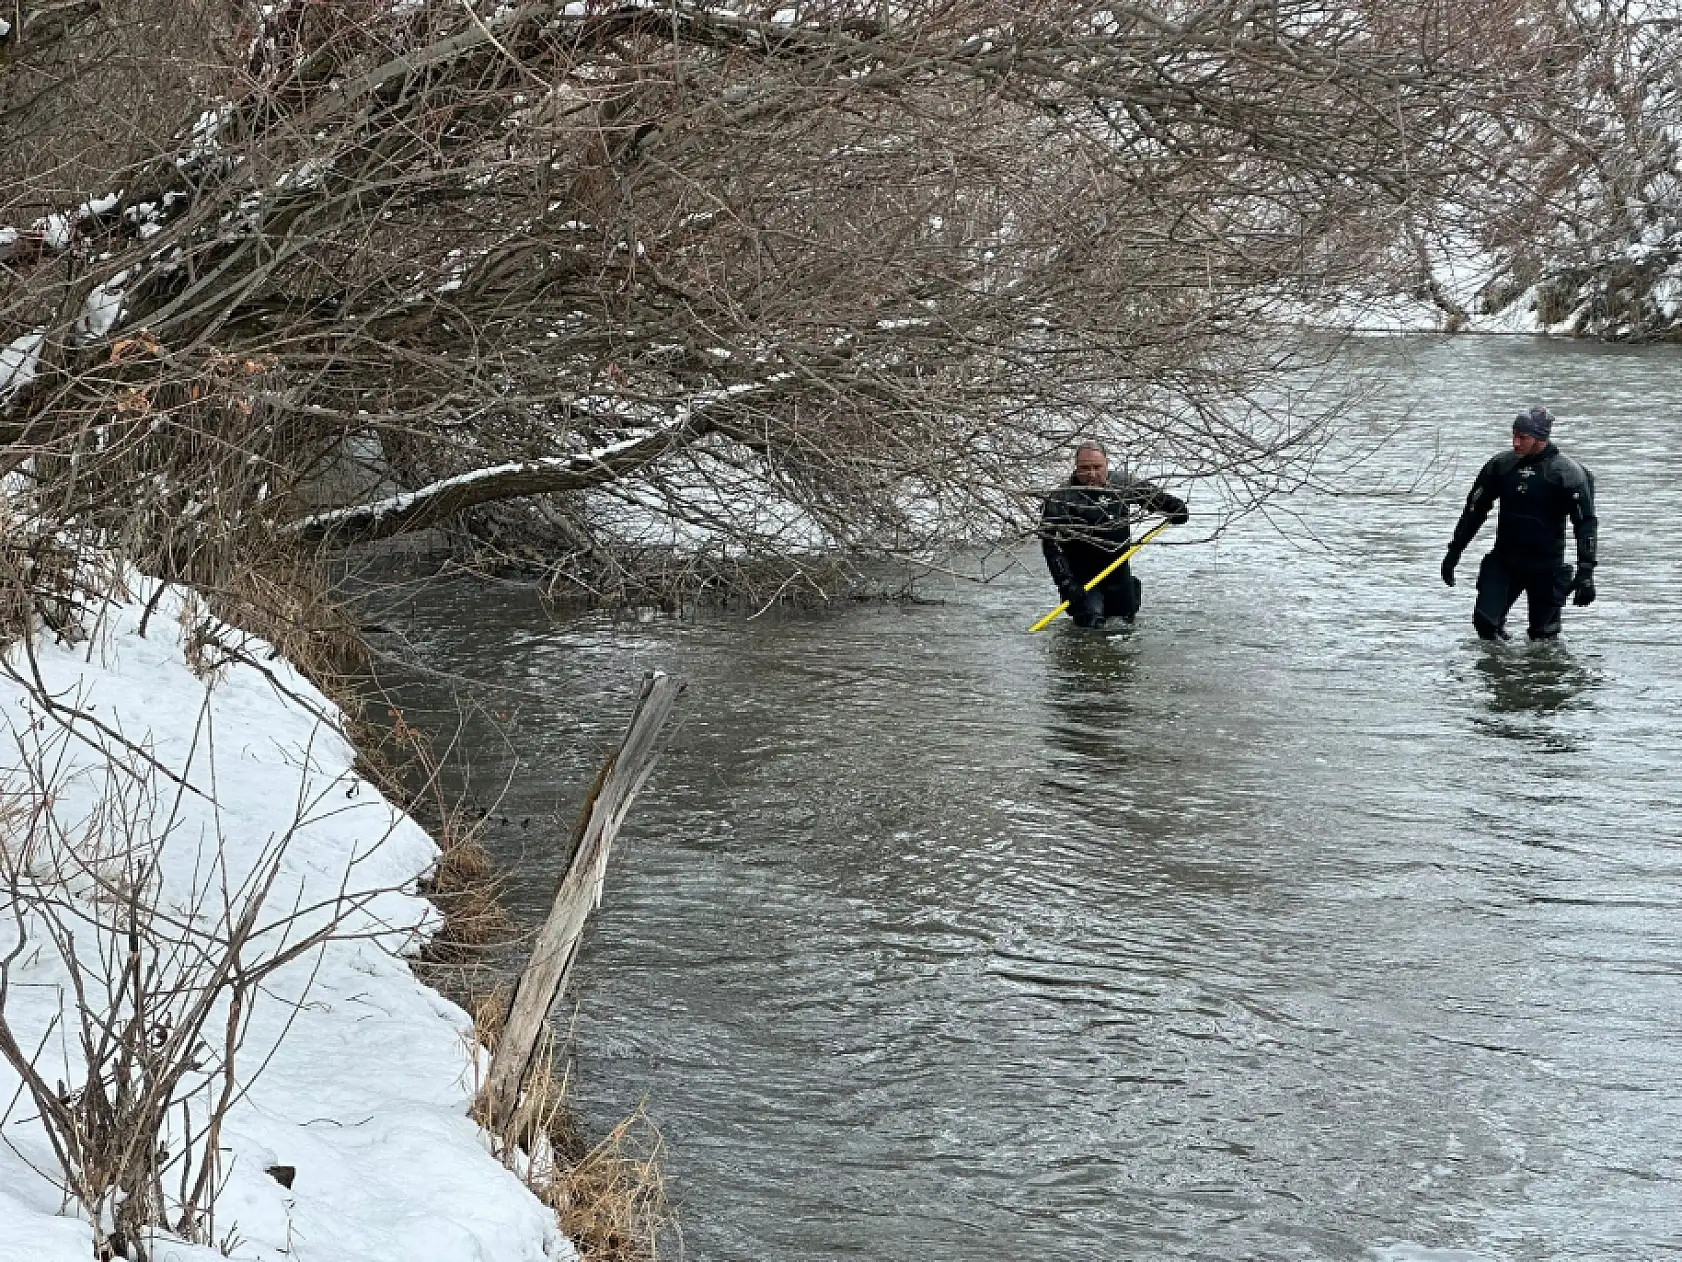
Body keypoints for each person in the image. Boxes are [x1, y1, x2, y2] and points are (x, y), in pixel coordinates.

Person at [1441, 406, 1597, 641]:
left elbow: (1585, 524)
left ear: (1541, 438)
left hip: (1546, 567)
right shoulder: (1501, 466)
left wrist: (1586, 573)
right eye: (1513, 435)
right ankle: (1500, 669)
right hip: (1505, 562)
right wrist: (1454, 551)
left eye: (1522, 437)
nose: (1515, 443)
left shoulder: (1567, 473)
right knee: (1485, 625)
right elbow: (1475, 510)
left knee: (1543, 639)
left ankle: (1535, 673)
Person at [1039, 441, 1189, 628]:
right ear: (1076, 468)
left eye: (1097, 467)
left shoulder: (1122, 485)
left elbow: (1156, 499)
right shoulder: (1060, 498)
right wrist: (1066, 583)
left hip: (1119, 575)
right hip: (1084, 581)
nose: (1092, 474)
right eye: (1085, 468)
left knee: (1123, 631)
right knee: (1091, 631)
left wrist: (1176, 508)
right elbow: (1050, 545)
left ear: (1107, 464)